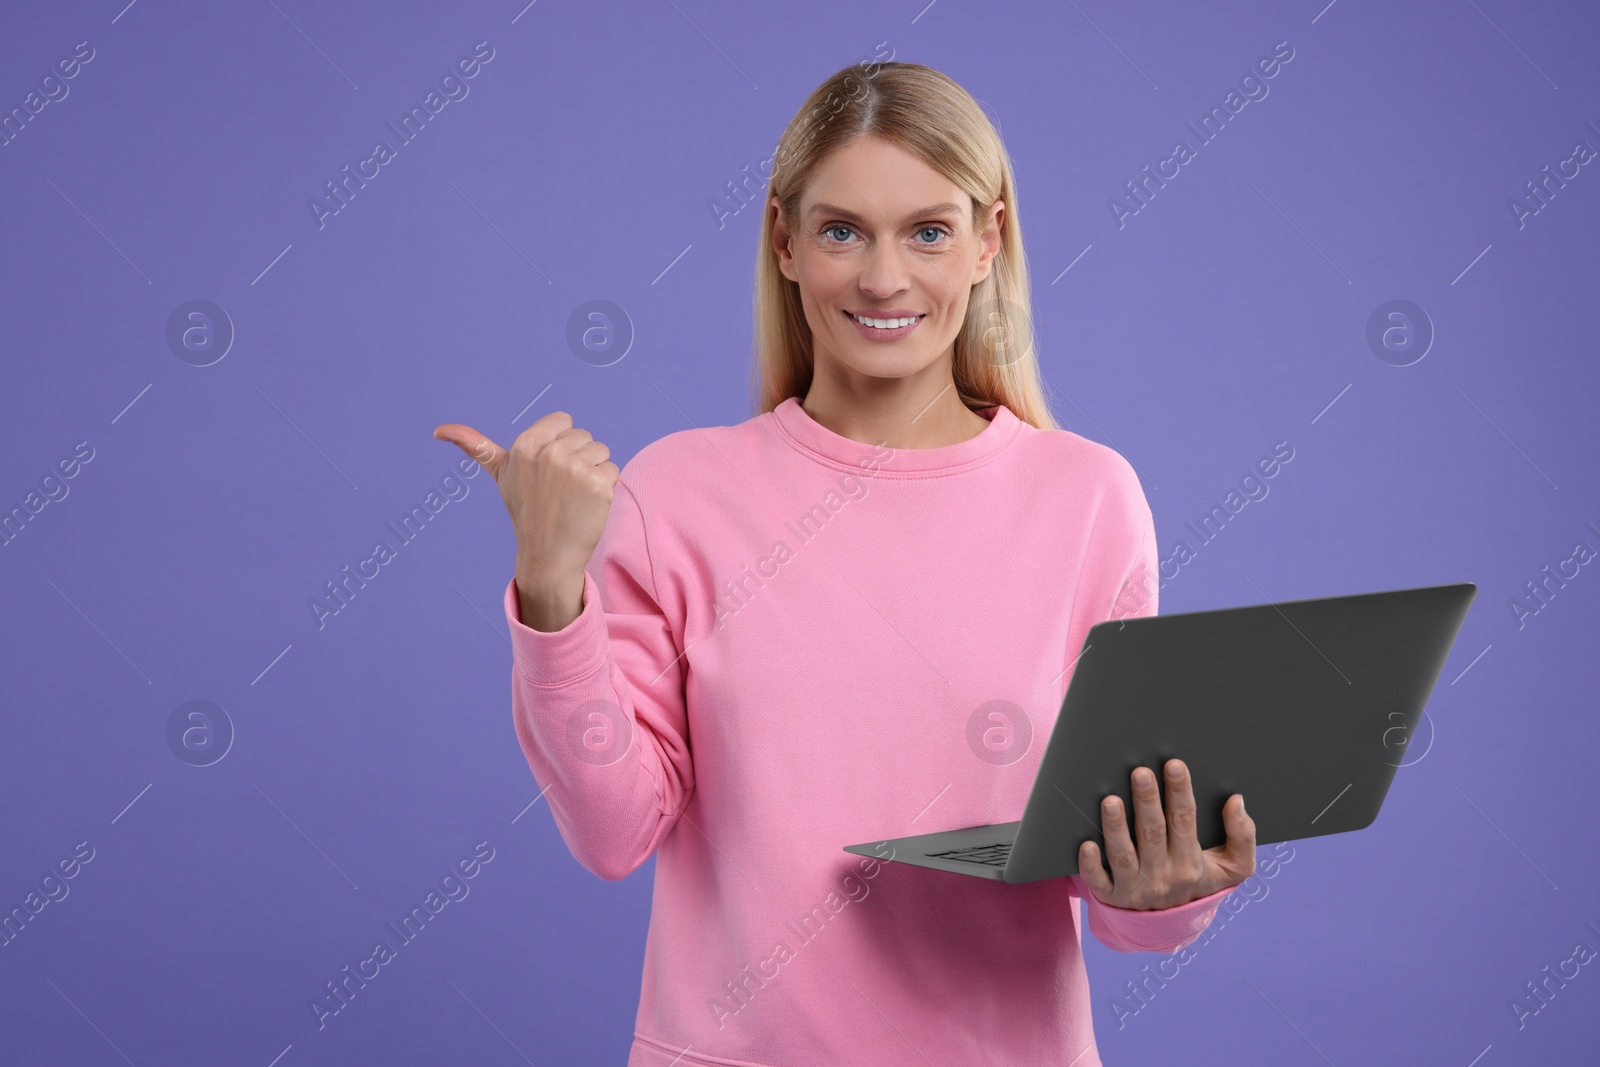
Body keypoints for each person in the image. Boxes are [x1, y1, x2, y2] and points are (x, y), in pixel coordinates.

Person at [434, 60, 1256, 1067]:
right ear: (782, 239)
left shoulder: (1086, 499)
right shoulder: (679, 493)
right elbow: (613, 832)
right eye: (840, 231)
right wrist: (553, 589)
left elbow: (1130, 912)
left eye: (927, 230)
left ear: (987, 240)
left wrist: (1171, 885)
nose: (881, 278)